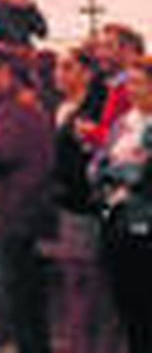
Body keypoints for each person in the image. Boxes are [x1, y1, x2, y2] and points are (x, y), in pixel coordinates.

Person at [0, 48, 53, 353]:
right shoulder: (0, 108)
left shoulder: (20, 109)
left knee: (22, 310)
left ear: (5, 72)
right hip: (0, 219)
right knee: (14, 310)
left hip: (14, 221)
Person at [51, 46, 119, 351]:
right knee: (73, 279)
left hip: (88, 205)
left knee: (92, 283)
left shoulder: (96, 107)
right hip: (65, 204)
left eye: (68, 68)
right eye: (58, 68)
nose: (59, 75)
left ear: (86, 73)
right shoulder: (61, 106)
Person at [93, 55, 152, 351]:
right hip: (118, 222)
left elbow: (142, 175)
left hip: (147, 226)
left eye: (139, 83)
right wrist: (121, 169)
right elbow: (96, 167)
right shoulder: (122, 124)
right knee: (128, 307)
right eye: (130, 84)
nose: (131, 90)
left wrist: (120, 170)